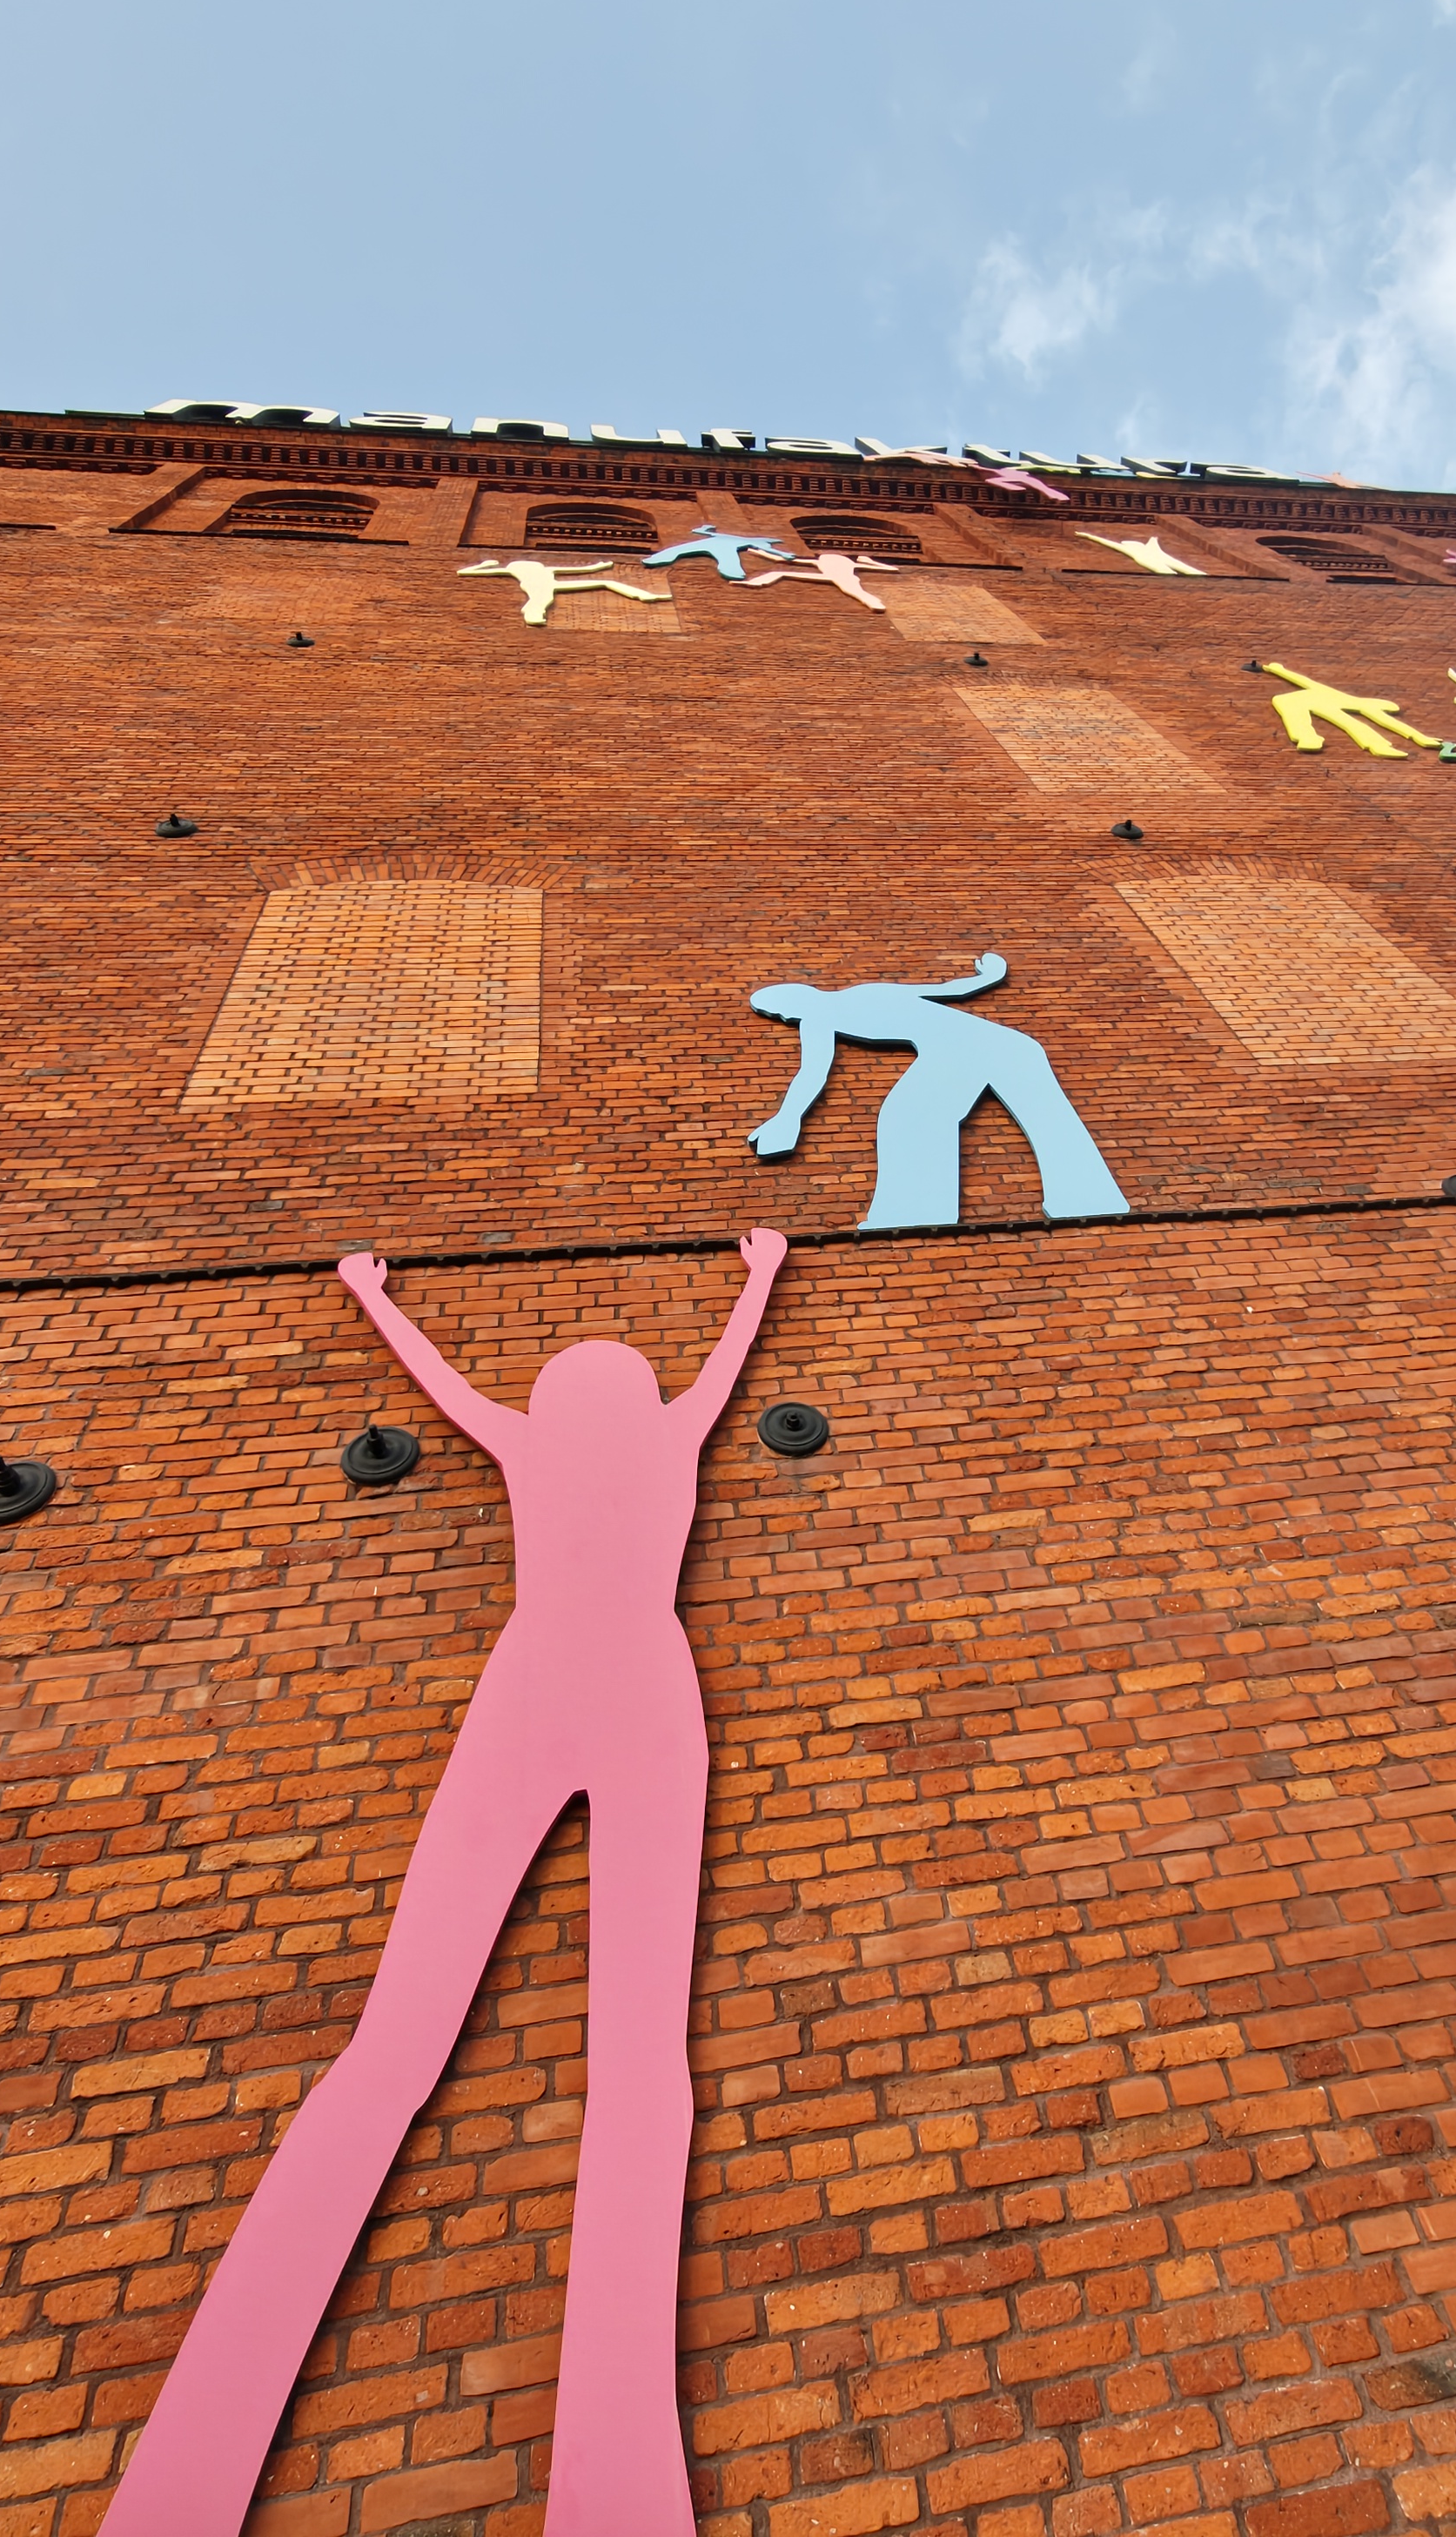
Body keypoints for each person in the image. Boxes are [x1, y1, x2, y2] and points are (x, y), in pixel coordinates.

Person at [97, 1233, 788, 2537]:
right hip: (651, 1700)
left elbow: (445, 1387)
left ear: (556, 1406)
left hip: (530, 1691)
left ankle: (185, 2479)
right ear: (636, 1401)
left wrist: (373, 1296)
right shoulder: (673, 1436)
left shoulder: (527, 1445)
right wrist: (758, 1271)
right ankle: (625, 2491)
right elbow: (726, 1361)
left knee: (392, 2045)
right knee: (642, 2060)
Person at [748, 954, 1127, 1228]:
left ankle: (911, 1215)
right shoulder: (865, 992)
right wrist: (990, 976)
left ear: (798, 998)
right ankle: (1089, 1199)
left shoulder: (818, 1017)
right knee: (1050, 1120)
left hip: (965, 1050)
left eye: (780, 1011)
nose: (784, 1019)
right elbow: (947, 991)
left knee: (909, 1117)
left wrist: (788, 1119)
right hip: (1012, 1045)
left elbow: (812, 1073)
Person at [1257, 661, 1444, 760]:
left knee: (1352, 724)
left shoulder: (1361, 705)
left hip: (1297, 701)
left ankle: (1309, 738)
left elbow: (1391, 723)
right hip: (1297, 700)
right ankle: (1308, 738)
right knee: (1353, 724)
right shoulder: (1357, 703)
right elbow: (1306, 682)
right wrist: (1279, 671)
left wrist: (1420, 738)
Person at [456, 556, 671, 625]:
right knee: (541, 598)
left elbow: (583, 570)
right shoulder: (514, 570)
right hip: (536, 587)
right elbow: (465, 572)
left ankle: (646, 596)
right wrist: (484, 565)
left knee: (605, 582)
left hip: (553, 584)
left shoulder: (547, 569)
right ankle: (533, 615)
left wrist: (600, 567)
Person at [742, 549, 906, 611]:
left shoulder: (825, 562)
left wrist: (869, 561)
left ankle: (874, 603)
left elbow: (891, 569)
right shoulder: (819, 562)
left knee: (853, 591)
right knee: (781, 572)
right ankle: (754, 583)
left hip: (845, 578)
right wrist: (758, 552)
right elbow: (781, 560)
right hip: (828, 577)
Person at [638, 523, 797, 581]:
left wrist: (784, 555)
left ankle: (734, 573)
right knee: (728, 561)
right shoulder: (748, 539)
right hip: (716, 544)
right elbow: (702, 532)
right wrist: (704, 529)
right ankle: (734, 573)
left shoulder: (751, 541)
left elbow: (767, 549)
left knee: (678, 550)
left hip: (718, 545)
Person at [1075, 528, 1204, 574]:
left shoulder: (1144, 548)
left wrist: (1088, 536)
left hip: (1151, 557)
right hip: (1149, 559)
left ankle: (1196, 575)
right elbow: (1108, 543)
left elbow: (1153, 540)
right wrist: (1088, 536)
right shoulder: (1134, 549)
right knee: (1172, 568)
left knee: (1173, 567)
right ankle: (1197, 575)